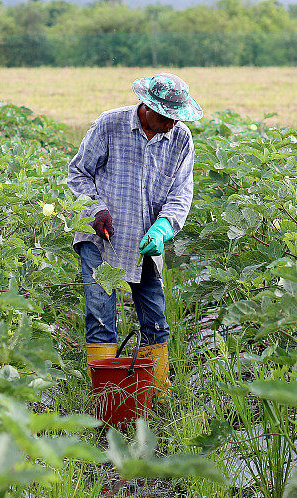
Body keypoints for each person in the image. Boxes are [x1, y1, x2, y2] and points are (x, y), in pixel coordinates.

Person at [67, 72, 202, 398]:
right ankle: (106, 398)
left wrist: (165, 225)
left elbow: (181, 192)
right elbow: (78, 172)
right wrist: (96, 210)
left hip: (145, 243)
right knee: (100, 318)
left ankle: (158, 395)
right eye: (166, 116)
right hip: (101, 238)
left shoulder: (181, 138)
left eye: (176, 117)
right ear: (146, 106)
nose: (172, 122)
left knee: (155, 319)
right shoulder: (110, 125)